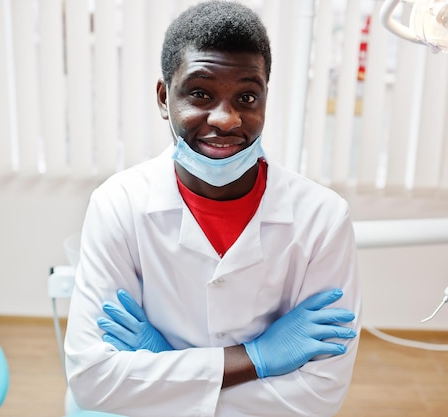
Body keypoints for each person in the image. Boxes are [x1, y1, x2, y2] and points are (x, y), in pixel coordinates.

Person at [64, 1, 361, 416]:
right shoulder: (118, 204)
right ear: (165, 97)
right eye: (200, 93)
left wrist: (160, 367)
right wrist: (255, 358)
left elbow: (318, 396)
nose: (225, 119)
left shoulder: (322, 219)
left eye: (247, 96)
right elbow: (93, 382)